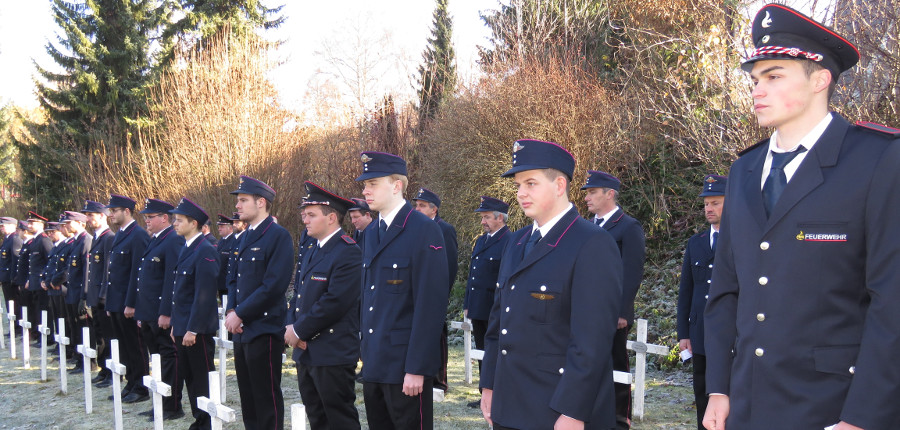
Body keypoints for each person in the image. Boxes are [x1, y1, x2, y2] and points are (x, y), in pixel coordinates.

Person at [703, 5, 900, 430]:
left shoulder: (876, 160)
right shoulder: (743, 171)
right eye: (755, 79)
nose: (757, 89)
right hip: (746, 405)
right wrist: (718, 386)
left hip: (833, 407)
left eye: (774, 76)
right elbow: (725, 290)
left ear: (820, 79)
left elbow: (892, 301)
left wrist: (863, 417)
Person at [480, 139, 623, 430]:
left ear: (559, 185)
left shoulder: (592, 244)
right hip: (509, 404)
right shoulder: (516, 242)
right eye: (518, 185)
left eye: (530, 183)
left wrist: (573, 411)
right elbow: (498, 322)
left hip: (556, 408)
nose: (521, 193)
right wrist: (489, 385)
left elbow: (591, 342)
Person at [355, 151, 449, 429]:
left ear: (396, 186)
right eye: (364, 184)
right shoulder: (371, 232)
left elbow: (430, 304)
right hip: (374, 362)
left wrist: (417, 369)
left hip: (405, 367)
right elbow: (368, 296)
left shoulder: (423, 229)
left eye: (372, 183)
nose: (365, 190)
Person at [284, 181, 362, 430]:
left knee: (339, 420)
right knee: (317, 418)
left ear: (331, 218)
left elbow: (335, 302)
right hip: (307, 351)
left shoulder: (348, 252)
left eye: (311, 215)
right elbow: (298, 296)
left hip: (332, 351)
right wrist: (292, 328)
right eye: (304, 214)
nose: (305, 220)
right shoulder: (311, 249)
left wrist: (298, 331)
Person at [225, 175, 294, 430]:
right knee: (248, 397)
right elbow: (232, 280)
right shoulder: (242, 238)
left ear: (261, 202)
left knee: (266, 398)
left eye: (243, 200)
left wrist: (240, 313)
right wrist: (232, 310)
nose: (238, 206)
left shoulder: (278, 236)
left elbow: (273, 286)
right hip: (241, 329)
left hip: (264, 328)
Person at [581, 170, 646, 429]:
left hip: (612, 314)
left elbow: (632, 272)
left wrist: (622, 311)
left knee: (616, 366)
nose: (587, 197)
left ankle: (620, 419)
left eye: (593, 192)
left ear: (610, 194)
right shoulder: (585, 227)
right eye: (587, 192)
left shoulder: (628, 227)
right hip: (585, 311)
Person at [676, 174, 725, 430]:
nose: (709, 208)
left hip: (730, 334)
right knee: (702, 392)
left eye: (715, 202)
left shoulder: (741, 241)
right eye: (706, 203)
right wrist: (683, 333)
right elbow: (686, 291)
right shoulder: (695, 243)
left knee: (728, 393)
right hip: (700, 332)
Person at [133, 199, 185, 420]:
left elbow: (171, 280)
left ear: (165, 218)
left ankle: (172, 405)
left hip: (160, 314)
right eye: (145, 216)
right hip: (149, 313)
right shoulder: (155, 240)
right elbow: (145, 280)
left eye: (151, 216)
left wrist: (166, 312)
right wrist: (141, 313)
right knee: (157, 360)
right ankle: (160, 403)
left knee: (168, 358)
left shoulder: (172, 240)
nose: (146, 220)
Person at [170, 198, 220, 430]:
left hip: (195, 330)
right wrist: (176, 325)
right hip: (183, 326)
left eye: (179, 220)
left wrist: (193, 328)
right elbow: (181, 293)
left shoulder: (205, 250)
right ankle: (199, 420)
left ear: (194, 222)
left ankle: (207, 422)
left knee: (202, 376)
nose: (174, 224)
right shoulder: (188, 248)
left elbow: (205, 294)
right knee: (190, 375)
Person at [463, 196, 510, 409]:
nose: (483, 222)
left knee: (496, 352)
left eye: (486, 217)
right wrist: (468, 303)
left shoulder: (509, 240)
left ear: (500, 218)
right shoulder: (482, 240)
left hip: (495, 308)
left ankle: (499, 392)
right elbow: (473, 275)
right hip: (479, 306)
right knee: (482, 350)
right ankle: (485, 393)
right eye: (482, 217)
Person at [412, 187, 458, 392]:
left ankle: (440, 380)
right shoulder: (416, 228)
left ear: (434, 209)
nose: (417, 209)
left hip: (436, 294)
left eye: (422, 206)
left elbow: (449, 264)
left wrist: (442, 293)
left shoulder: (444, 229)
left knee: (438, 336)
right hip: (420, 294)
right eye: (416, 205)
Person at [105, 194, 150, 403]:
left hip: (128, 303)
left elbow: (137, 272)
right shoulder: (120, 235)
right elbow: (113, 271)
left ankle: (141, 386)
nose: (111, 214)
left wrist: (131, 302)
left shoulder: (138, 235)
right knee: (124, 345)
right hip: (116, 301)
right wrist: (109, 301)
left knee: (135, 345)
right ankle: (131, 382)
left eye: (114, 211)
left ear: (127, 212)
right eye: (110, 211)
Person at [82, 200, 115, 387]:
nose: (88, 219)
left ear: (102, 216)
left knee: (109, 337)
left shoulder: (108, 237)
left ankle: (111, 372)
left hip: (103, 297)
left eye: (91, 215)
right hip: (95, 296)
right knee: (100, 335)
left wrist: (103, 297)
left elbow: (107, 271)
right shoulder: (96, 238)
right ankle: (104, 369)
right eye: (87, 216)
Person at [60, 211, 92, 373]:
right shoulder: (76, 241)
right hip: (72, 292)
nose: (66, 226)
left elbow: (86, 271)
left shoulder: (86, 240)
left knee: (84, 328)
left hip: (80, 292)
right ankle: (80, 360)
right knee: (76, 327)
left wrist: (84, 296)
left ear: (80, 223)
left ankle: (88, 362)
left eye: (69, 223)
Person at [18, 211, 52, 340]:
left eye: (32, 223)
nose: (29, 225)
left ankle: (47, 338)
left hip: (41, 283)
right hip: (34, 282)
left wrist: (44, 278)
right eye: (29, 223)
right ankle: (41, 337)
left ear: (40, 224)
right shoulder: (36, 240)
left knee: (44, 311)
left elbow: (50, 261)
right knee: (38, 310)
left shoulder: (44, 240)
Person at [0, 217, 22, 336]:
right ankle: (13, 327)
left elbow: (16, 260)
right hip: (5, 277)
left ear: (12, 225)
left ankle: (17, 328)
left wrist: (14, 278)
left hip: (10, 278)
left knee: (14, 304)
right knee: (10, 304)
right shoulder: (7, 239)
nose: (1, 228)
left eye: (3, 226)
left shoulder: (15, 239)